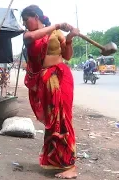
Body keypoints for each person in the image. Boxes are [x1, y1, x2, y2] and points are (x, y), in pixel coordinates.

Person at [21, 5, 79, 179]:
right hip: (46, 80)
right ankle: (57, 160)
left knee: (64, 118)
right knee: (53, 121)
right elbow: (32, 36)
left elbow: (67, 56)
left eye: (26, 19)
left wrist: (69, 39)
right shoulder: (29, 35)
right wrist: (57, 25)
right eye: (23, 21)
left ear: (36, 16)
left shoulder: (56, 33)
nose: (25, 24)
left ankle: (71, 166)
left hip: (61, 77)